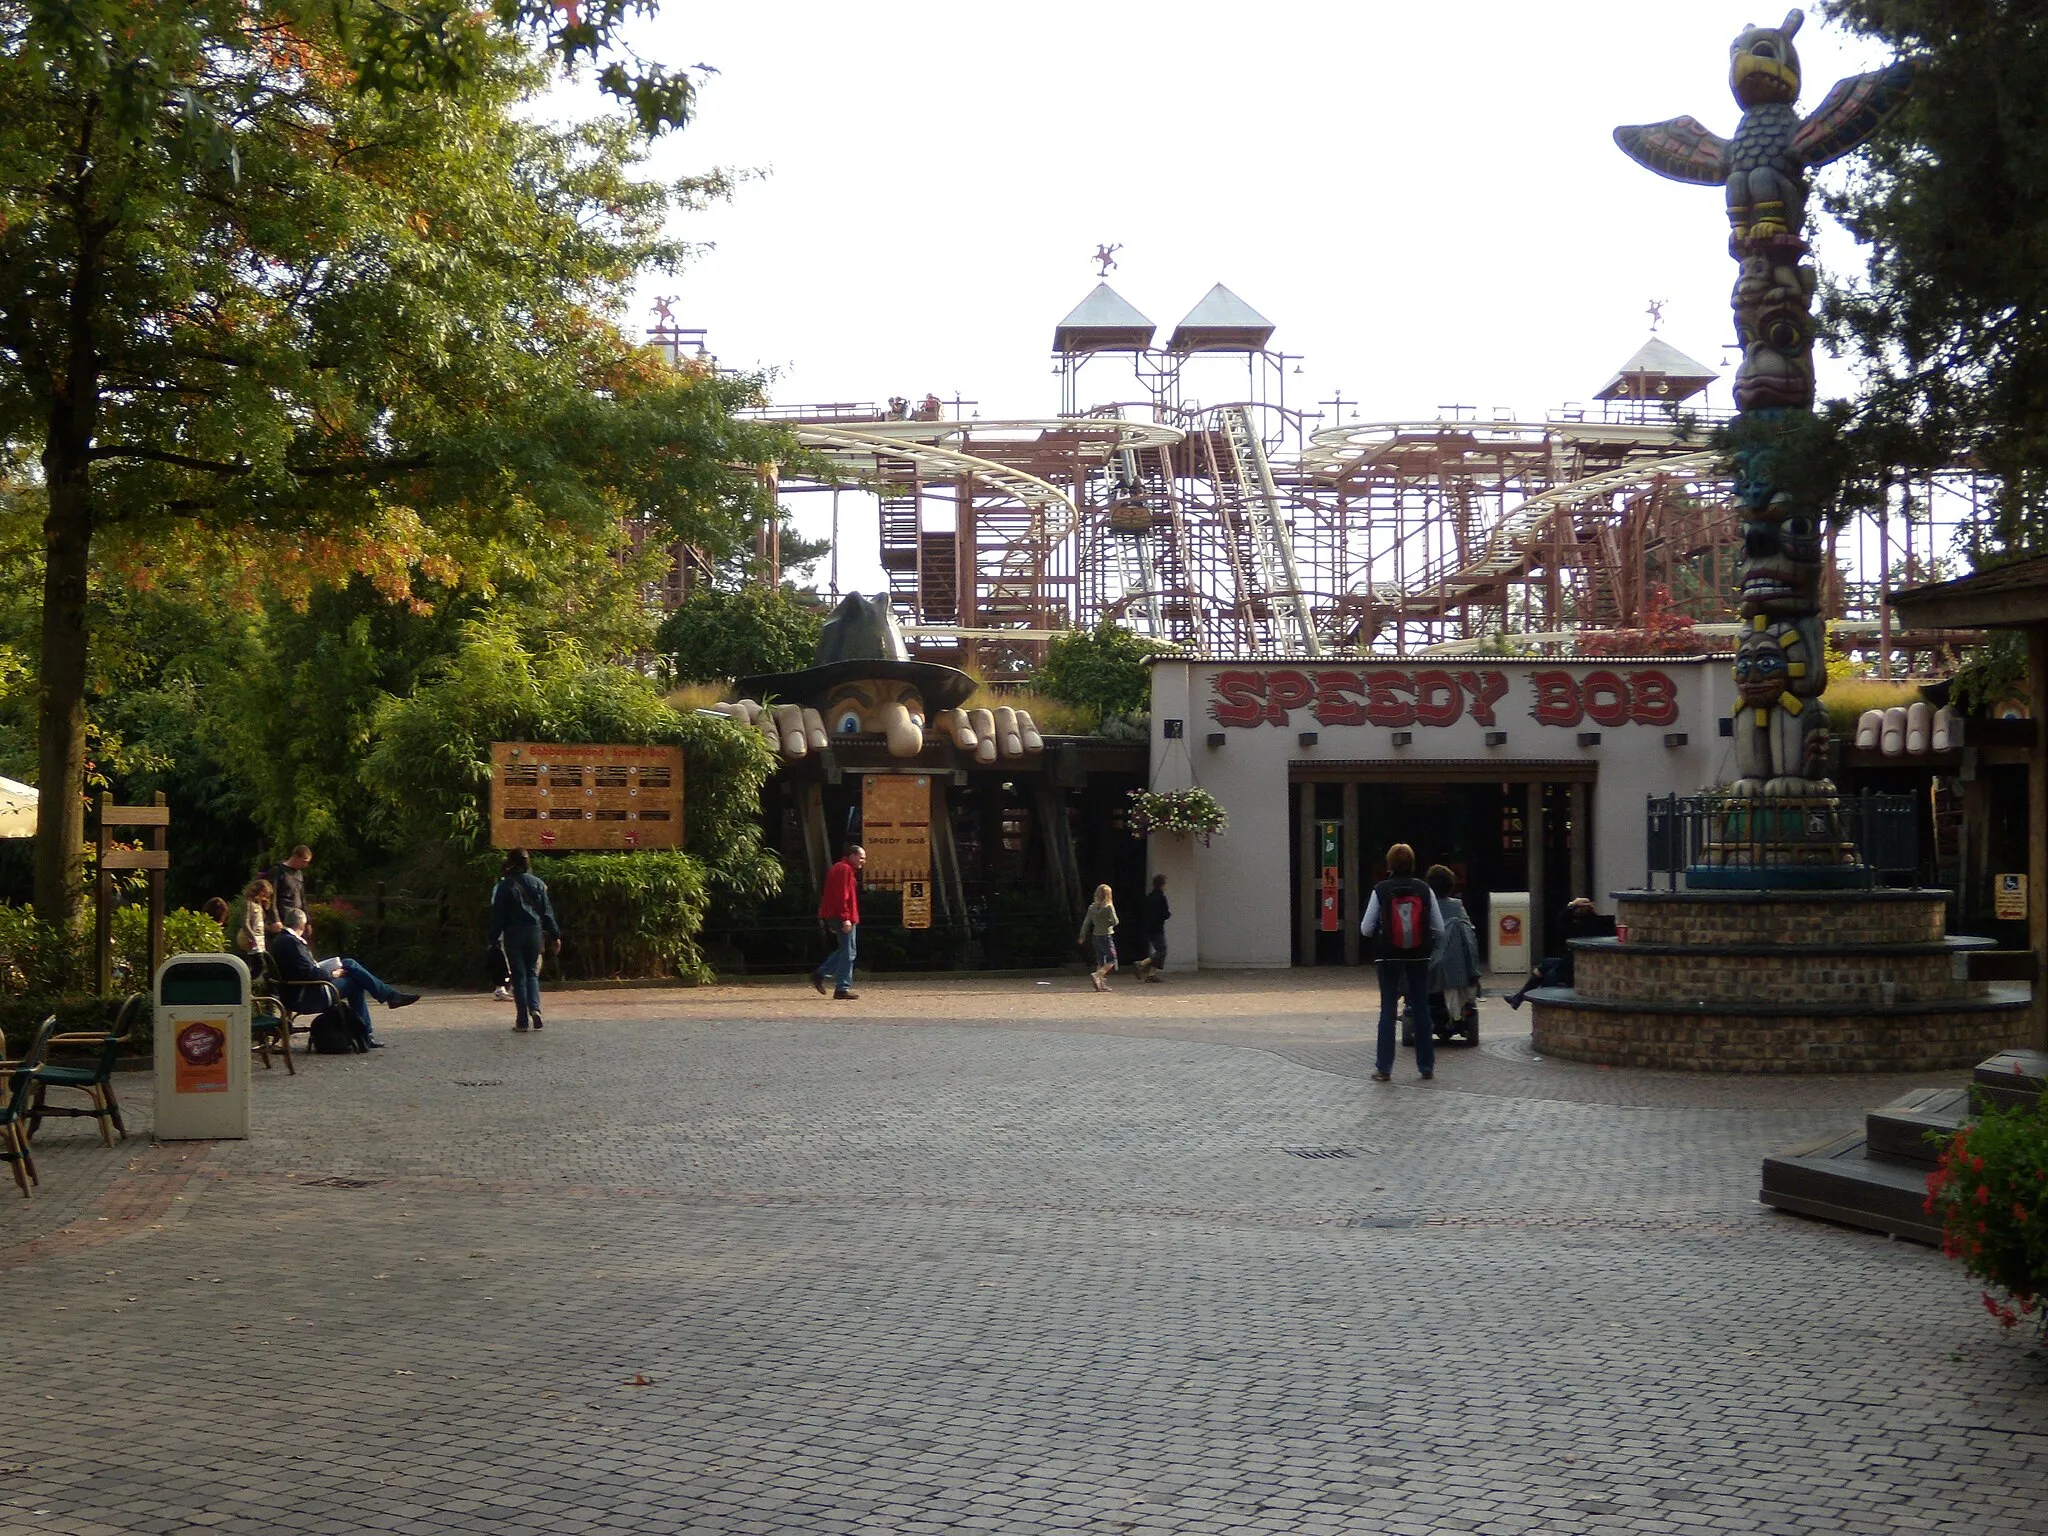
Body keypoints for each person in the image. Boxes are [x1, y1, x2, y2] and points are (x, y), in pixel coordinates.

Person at [267, 907, 418, 1048]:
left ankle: (386, 1001)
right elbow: (310, 973)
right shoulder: (292, 943)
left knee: (349, 964)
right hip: (308, 996)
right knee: (355, 982)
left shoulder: (281, 941)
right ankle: (369, 1028)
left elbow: (303, 970)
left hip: (298, 992)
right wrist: (333, 974)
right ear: (301, 925)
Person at [1359, 842, 1444, 1082]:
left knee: (1388, 1009)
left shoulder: (1381, 890)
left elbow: (1366, 929)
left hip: (1387, 956)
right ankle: (1426, 1066)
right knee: (1420, 1008)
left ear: (1389, 864)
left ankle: (1384, 1067)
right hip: (1419, 955)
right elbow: (1439, 927)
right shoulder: (1424, 889)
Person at [489, 848, 560, 1032]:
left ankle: (522, 1020)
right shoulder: (537, 883)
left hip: (513, 933)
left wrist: (493, 937)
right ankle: (535, 1009)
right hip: (534, 932)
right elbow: (547, 912)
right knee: (531, 973)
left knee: (518, 975)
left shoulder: (505, 887)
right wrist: (555, 935)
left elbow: (498, 916)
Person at [1505, 897, 1609, 1009]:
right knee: (1545, 964)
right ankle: (1518, 998)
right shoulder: (1599, 924)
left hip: (1573, 966)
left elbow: (1560, 919)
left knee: (1549, 974)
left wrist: (1571, 904)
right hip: (1573, 962)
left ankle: (1538, 1004)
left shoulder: (1573, 926)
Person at [1425, 864, 1483, 1043]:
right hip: (1459, 968)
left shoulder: (1426, 906)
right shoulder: (1458, 907)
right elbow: (1469, 935)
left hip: (1431, 967)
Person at [814, 845, 865, 1000]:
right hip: (842, 915)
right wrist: (846, 918)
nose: (863, 861)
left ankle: (822, 973)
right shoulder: (845, 870)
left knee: (845, 949)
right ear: (852, 856)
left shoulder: (838, 868)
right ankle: (842, 987)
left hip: (834, 914)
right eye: (861, 857)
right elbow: (843, 895)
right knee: (849, 951)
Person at [1078, 883, 1119, 992]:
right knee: (1112, 960)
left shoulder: (1092, 907)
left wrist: (1082, 936)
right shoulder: (1109, 907)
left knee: (1100, 961)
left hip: (1095, 936)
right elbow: (1115, 921)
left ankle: (1101, 984)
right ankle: (1097, 975)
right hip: (1106, 935)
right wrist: (1109, 924)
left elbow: (1086, 923)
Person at [267, 845, 312, 932]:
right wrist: (275, 919)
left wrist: (308, 921)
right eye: (304, 861)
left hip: (297, 920)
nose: (305, 865)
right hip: (283, 918)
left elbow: (302, 898)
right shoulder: (277, 870)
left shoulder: (299, 874)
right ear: (295, 856)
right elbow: (271, 897)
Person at [1134, 874, 1170, 982]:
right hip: (1157, 928)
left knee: (1158, 951)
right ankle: (1141, 963)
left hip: (1148, 928)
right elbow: (1165, 914)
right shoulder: (1161, 898)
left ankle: (1152, 974)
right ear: (1162, 885)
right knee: (1162, 951)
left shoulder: (1149, 897)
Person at [236, 876, 274, 958]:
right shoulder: (249, 904)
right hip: (251, 937)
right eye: (263, 894)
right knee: (259, 962)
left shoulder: (259, 906)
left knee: (260, 961)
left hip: (259, 938)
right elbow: (244, 922)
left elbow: (260, 924)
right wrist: (252, 938)